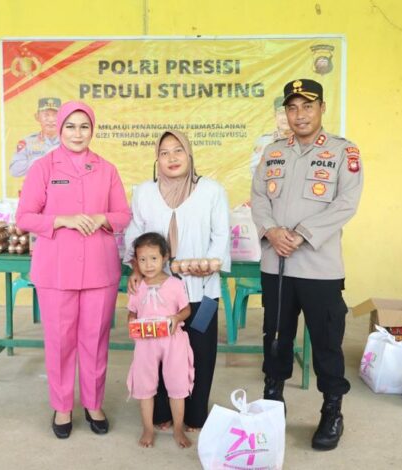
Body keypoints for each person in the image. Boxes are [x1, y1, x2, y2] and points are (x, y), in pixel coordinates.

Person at [250, 78, 363, 451]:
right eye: (292, 107)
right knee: (275, 338)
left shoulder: (343, 152)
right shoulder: (273, 152)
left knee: (327, 343)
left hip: (319, 268)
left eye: (307, 106)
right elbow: (258, 197)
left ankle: (332, 410)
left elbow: (346, 203)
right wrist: (271, 231)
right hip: (277, 265)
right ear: (285, 112)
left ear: (322, 108)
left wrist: (300, 234)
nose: (299, 115)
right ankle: (272, 401)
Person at [16, 100, 131, 439]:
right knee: (59, 341)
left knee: (95, 340)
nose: (77, 133)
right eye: (70, 126)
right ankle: (62, 406)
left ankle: (94, 404)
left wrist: (101, 218)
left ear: (92, 130)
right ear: (60, 129)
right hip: (55, 271)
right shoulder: (43, 168)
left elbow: (123, 215)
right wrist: (61, 220)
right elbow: (24, 217)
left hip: (99, 269)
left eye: (84, 127)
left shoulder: (107, 169)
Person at [124, 130, 230, 432]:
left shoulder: (211, 190)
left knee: (201, 351)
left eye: (178, 150)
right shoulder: (144, 192)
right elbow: (135, 233)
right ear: (156, 159)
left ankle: (195, 415)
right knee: (157, 350)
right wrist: (135, 267)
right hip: (158, 293)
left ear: (189, 154)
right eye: (164, 152)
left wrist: (208, 263)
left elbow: (221, 234)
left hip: (203, 291)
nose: (172, 158)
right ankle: (161, 413)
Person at [126, 232, 194, 449]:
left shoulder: (175, 284)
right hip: (146, 343)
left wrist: (176, 318)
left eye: (153, 258)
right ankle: (147, 428)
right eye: (142, 259)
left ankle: (177, 428)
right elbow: (132, 311)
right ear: (136, 261)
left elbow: (186, 309)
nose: (148, 265)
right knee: (144, 384)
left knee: (177, 384)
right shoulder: (137, 286)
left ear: (164, 257)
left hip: (173, 341)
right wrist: (131, 321)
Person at [9, 97, 62, 177]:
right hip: (37, 183)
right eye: (46, 115)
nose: (51, 119)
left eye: (55, 115)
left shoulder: (70, 142)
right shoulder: (27, 142)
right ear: (37, 117)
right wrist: (42, 160)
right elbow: (15, 171)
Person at [248, 96, 292, 176]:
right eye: (281, 113)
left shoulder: (306, 140)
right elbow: (255, 170)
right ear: (275, 115)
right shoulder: (265, 141)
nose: (285, 118)